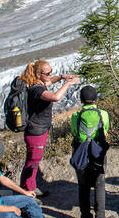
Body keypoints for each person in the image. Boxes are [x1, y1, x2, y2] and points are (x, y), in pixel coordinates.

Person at [18, 60, 79, 195]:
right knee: (32, 162)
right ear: (39, 74)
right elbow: (55, 97)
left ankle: (31, 187)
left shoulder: (36, 83)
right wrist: (68, 83)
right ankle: (26, 191)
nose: (51, 74)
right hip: (36, 131)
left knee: (34, 161)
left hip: (39, 129)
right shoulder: (36, 89)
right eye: (48, 73)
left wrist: (62, 77)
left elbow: (50, 81)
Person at [71, 85, 110, 218]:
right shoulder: (103, 114)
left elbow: (75, 133)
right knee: (99, 184)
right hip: (97, 153)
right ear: (95, 99)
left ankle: (85, 215)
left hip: (81, 153)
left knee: (83, 185)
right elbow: (105, 131)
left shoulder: (76, 115)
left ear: (81, 100)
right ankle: (100, 215)